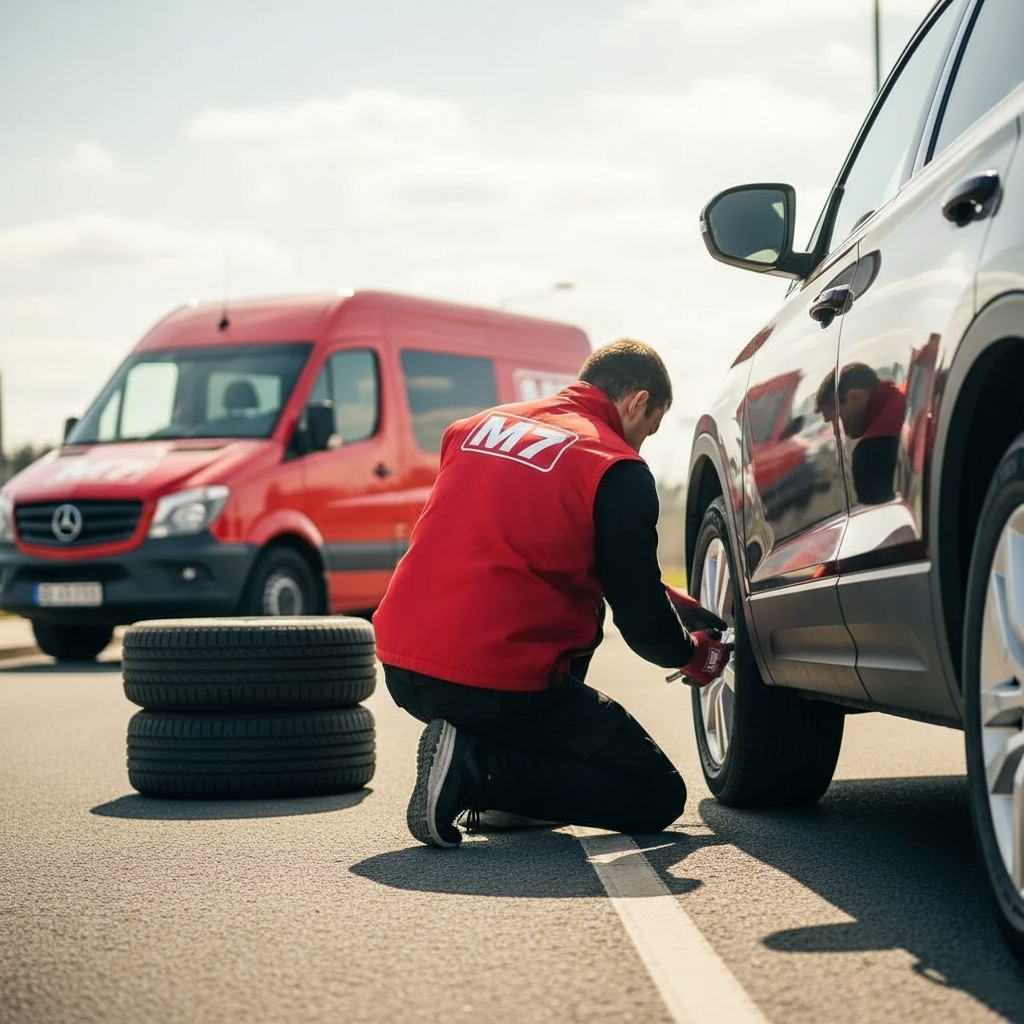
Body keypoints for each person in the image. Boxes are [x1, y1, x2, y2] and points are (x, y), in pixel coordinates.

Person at [372, 339, 732, 848]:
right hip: (489, 679)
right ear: (636, 402)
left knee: (556, 683)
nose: (642, 444)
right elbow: (642, 626)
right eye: (649, 428)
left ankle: (494, 783)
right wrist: (693, 654)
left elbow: (525, 543)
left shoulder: (475, 427)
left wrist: (674, 600)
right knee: (654, 794)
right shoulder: (615, 466)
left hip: (403, 667)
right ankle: (477, 770)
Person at [815, 362, 906, 505]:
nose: (836, 432)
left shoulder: (869, 455)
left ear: (855, 397)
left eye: (838, 418)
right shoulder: (910, 400)